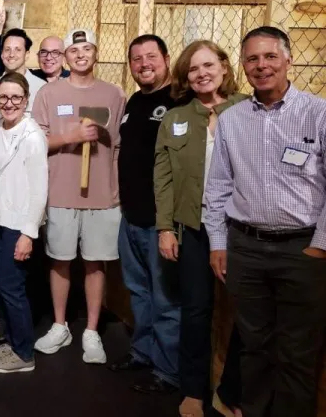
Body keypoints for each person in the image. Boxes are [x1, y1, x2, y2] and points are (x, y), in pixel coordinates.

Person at [204, 26, 326, 417]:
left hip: (302, 249)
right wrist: (218, 242)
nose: (262, 66)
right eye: (252, 59)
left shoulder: (318, 113)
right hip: (246, 249)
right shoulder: (232, 119)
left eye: (270, 56)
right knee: (253, 347)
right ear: (243, 65)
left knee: (298, 352)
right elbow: (218, 186)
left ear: (289, 59)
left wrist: (320, 246)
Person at [156, 40, 248, 417]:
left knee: (248, 314)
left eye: (208, 65)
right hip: (193, 226)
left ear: (224, 67)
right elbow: (163, 178)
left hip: (240, 227)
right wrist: (165, 228)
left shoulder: (248, 108)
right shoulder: (175, 119)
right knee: (195, 311)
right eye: (193, 69)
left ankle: (230, 392)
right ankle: (193, 390)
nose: (201, 74)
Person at [31, 28, 126, 365]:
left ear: (96, 53)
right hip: (60, 191)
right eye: (74, 50)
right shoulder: (48, 93)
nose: (81, 55)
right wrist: (69, 136)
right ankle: (60, 325)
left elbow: (118, 147)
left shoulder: (114, 94)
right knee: (59, 259)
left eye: (87, 49)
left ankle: (92, 330)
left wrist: (115, 190)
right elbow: (35, 143)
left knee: (95, 263)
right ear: (65, 57)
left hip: (101, 195)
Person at [109, 35, 181, 394]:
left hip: (161, 221)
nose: (144, 64)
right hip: (131, 216)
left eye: (151, 56)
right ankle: (143, 353)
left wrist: (168, 224)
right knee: (139, 292)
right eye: (136, 59)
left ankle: (168, 371)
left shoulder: (179, 101)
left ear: (166, 58)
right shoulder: (135, 101)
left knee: (166, 300)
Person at [0, 72, 48, 373]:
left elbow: (40, 190)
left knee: (11, 287)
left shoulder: (33, 137)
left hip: (19, 223)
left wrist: (28, 234)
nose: (9, 103)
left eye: (16, 97)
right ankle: (11, 341)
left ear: (26, 99)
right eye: (3, 97)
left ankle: (24, 353)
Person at [0, 29, 46, 112]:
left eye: (18, 50)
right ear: (2, 54)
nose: (11, 54)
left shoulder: (41, 88)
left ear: (27, 55)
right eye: (7, 49)